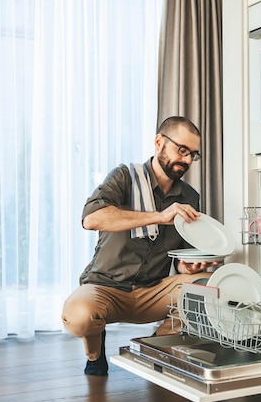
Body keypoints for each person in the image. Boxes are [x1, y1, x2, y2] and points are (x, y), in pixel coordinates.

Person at [61, 116, 216, 375]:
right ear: (159, 142)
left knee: (206, 286)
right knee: (78, 316)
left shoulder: (189, 197)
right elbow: (91, 219)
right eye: (182, 150)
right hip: (105, 288)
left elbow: (182, 257)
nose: (188, 160)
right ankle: (95, 355)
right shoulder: (124, 177)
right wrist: (159, 215)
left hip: (152, 291)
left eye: (193, 155)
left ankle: (154, 349)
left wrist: (189, 265)